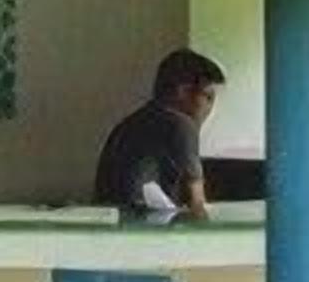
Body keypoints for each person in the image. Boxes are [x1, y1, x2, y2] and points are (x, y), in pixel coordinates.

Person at [94, 50, 224, 222]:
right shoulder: (180, 124)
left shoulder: (130, 124)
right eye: (208, 97)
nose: (210, 108)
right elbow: (197, 205)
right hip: (149, 234)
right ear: (183, 91)